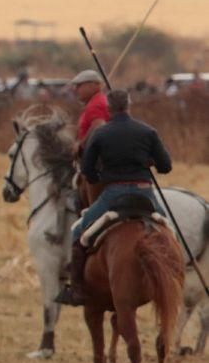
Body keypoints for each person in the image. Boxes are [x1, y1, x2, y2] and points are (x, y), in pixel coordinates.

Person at [55, 89, 172, 306]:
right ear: (129, 106)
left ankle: (77, 288)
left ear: (109, 109)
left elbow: (87, 171)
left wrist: (104, 173)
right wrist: (148, 162)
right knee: (169, 232)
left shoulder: (100, 135)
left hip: (114, 194)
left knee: (78, 231)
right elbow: (166, 166)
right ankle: (176, 277)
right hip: (145, 192)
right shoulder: (148, 131)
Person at [70, 69, 109, 157]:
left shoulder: (96, 103)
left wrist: (80, 145)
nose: (75, 90)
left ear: (92, 85)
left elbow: (98, 126)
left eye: (79, 86)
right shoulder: (97, 101)